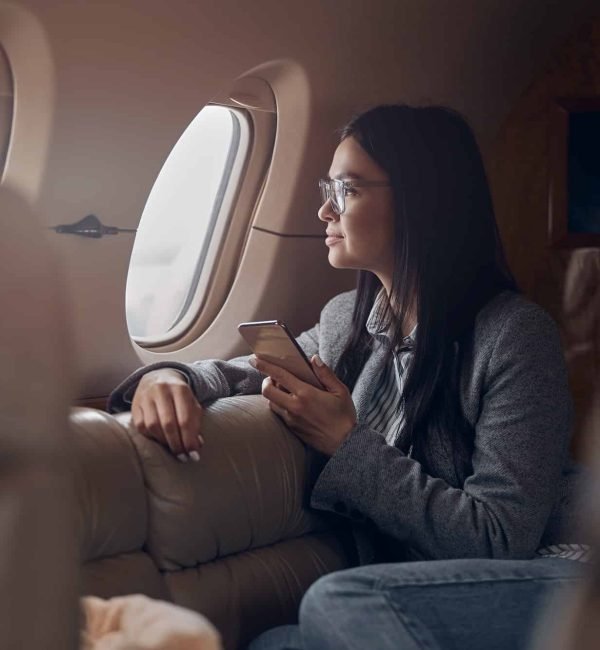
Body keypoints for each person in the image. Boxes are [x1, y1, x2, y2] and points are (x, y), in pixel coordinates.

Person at [109, 105, 584, 649]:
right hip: (421, 589)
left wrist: (347, 444)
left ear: (420, 200)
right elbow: (249, 371)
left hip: (558, 581)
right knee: (274, 644)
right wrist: (168, 377)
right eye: (327, 188)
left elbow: (501, 540)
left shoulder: (515, 335)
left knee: (339, 600)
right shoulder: (348, 323)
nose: (322, 211)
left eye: (347, 189)